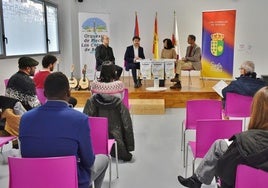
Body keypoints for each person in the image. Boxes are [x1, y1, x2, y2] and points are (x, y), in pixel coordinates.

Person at [19, 72, 109, 188]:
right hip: (69, 181)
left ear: (45, 93)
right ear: (69, 93)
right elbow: (89, 161)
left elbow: (25, 154)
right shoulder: (80, 119)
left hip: (33, 181)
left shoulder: (25, 118)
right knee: (104, 159)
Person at [177, 86, 268, 188]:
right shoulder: (258, 83)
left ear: (256, 111)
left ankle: (197, 180)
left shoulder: (243, 139)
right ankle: (196, 180)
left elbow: (224, 172)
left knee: (219, 145)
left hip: (243, 180)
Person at [83, 61, 135, 162]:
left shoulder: (94, 85)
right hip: (115, 127)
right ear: (113, 71)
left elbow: (92, 100)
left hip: (97, 126)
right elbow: (121, 98)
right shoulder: (119, 85)